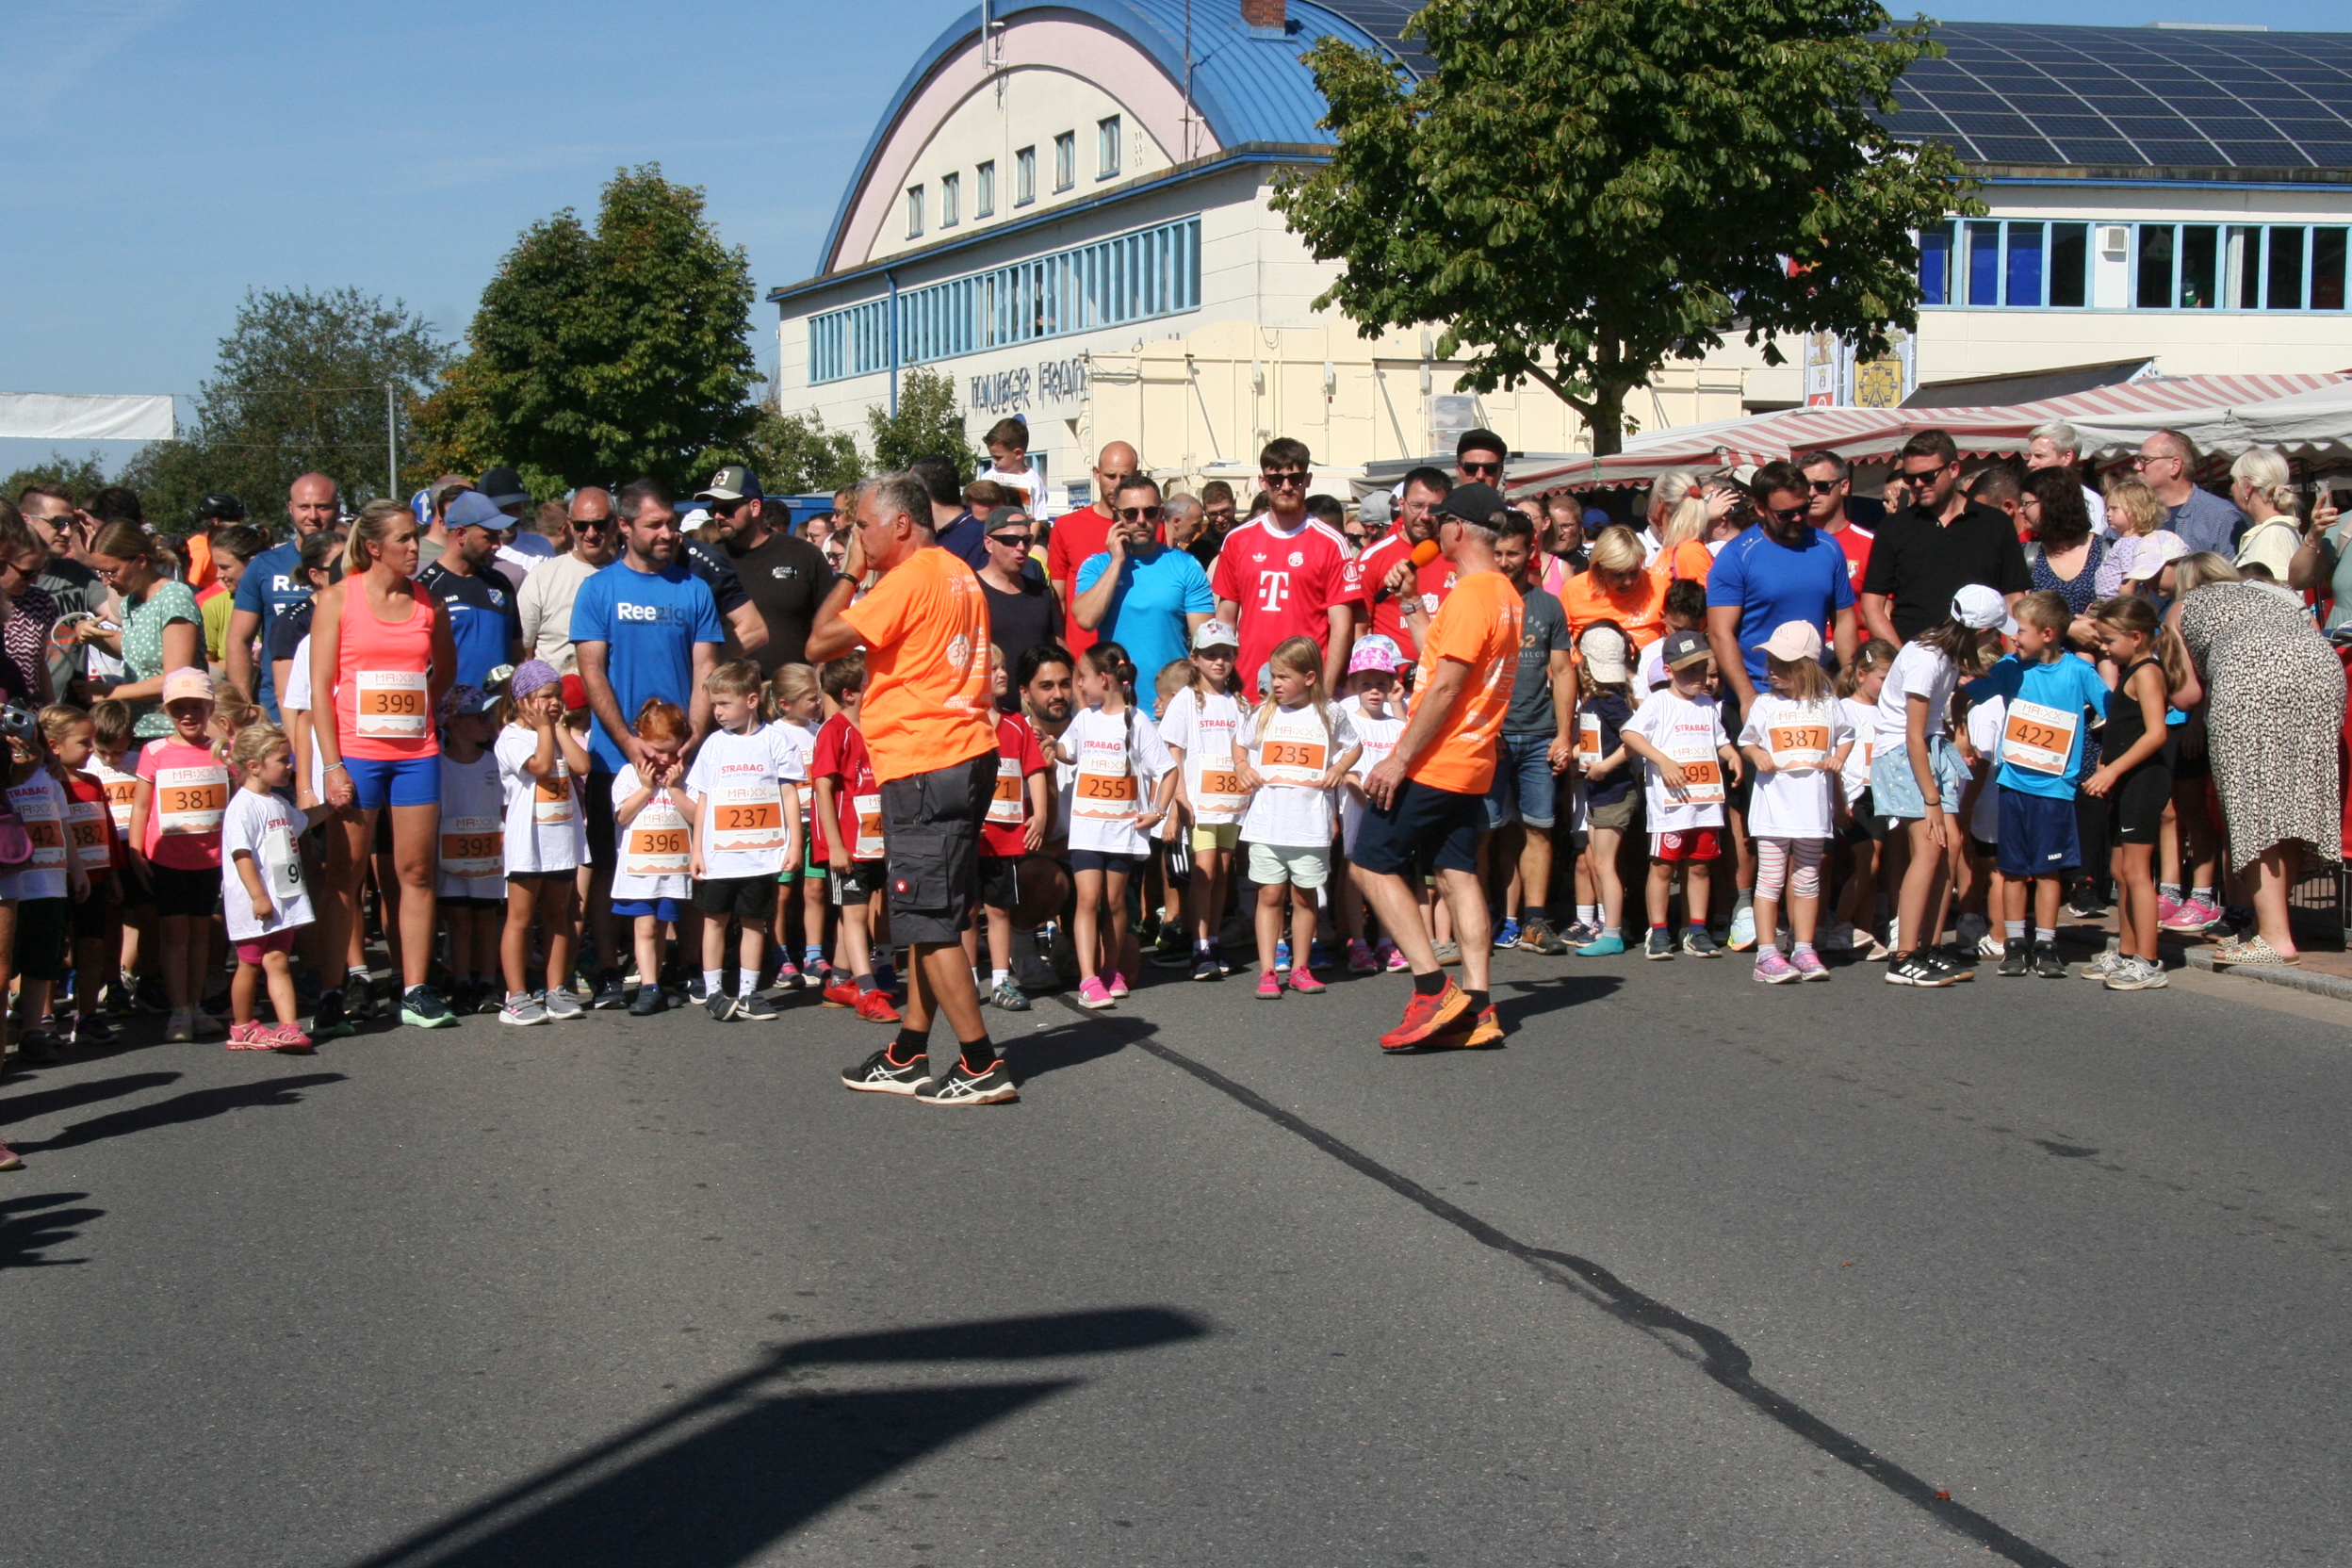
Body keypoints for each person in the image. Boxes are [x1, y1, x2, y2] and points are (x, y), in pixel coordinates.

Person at [806, 471, 1014, 1105]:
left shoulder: (908, 578)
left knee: (926, 916)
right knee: (932, 914)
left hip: (926, 761)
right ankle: (909, 1051)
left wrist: (849, 573)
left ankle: (980, 1063)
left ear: (901, 523)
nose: (858, 539)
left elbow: (819, 643)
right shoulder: (957, 571)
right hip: (964, 753)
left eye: (863, 527)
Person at [1352, 482, 1523, 1051]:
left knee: (1370, 864)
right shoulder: (1501, 593)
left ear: (1458, 529)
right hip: (1472, 758)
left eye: (1441, 520)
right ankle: (1478, 1005)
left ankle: (1432, 989)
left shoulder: (1473, 594)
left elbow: (1447, 688)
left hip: (1437, 757)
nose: (1432, 528)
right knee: (1456, 873)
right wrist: (1409, 604)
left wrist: (1398, 758)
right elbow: (1440, 659)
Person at [310, 498, 461, 1030]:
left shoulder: (429, 603)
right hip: (356, 753)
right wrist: (332, 764)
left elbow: (445, 671)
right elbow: (320, 687)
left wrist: (420, 709)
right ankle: (331, 991)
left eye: (416, 537)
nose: (415, 547)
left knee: (416, 871)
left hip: (416, 753)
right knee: (345, 873)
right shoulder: (337, 599)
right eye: (404, 539)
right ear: (374, 547)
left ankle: (415, 989)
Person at [572, 479, 726, 1001]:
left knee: (690, 857)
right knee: (608, 864)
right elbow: (592, 670)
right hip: (614, 756)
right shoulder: (599, 589)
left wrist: (692, 740)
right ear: (624, 526)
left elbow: (706, 669)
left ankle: (689, 964)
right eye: (655, 524)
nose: (668, 533)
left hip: (683, 756)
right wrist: (627, 742)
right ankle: (609, 967)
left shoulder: (694, 589)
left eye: (672, 524)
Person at [2177, 564, 2345, 970]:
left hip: (2249, 680)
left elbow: (2186, 695)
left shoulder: (2186, 604)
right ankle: (2272, 928)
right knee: (2294, 806)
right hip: (2321, 673)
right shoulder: (2275, 592)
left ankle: (2275, 937)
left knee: (2252, 809)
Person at [1960, 591, 2108, 979]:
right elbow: (1967, 694)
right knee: (2011, 868)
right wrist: (1962, 733)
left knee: (2047, 871)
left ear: (2047, 634)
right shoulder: (2010, 667)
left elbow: (2112, 710)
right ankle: (2014, 943)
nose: (2013, 638)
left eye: (2021, 631)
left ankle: (2045, 943)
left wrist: (2107, 760)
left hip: (2055, 789)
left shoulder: (2078, 671)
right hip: (2013, 783)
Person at [1872, 586, 2007, 987]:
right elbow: (1912, 735)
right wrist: (1931, 799)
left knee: (1949, 845)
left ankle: (1929, 948)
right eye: (1993, 633)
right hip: (1902, 754)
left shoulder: (1947, 656)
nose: (1994, 640)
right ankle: (1903, 957)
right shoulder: (1925, 659)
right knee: (1929, 848)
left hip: (1930, 749)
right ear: (1980, 632)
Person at [1235, 634, 1359, 1000]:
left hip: (1309, 826)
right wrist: (1242, 766)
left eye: (1283, 677)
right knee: (1270, 895)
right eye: (1273, 675)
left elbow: (1354, 746)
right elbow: (1240, 742)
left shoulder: (1330, 713)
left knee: (1306, 898)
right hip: (1267, 824)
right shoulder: (1264, 711)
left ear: (1309, 677)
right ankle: (1268, 970)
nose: (1275, 683)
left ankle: (1302, 967)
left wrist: (1339, 769)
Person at [1054, 642, 1175, 1008]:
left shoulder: (1138, 722)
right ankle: (1088, 978)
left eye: (1082, 677)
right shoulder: (1084, 719)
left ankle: (1111, 970)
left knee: (1115, 901)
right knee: (1088, 900)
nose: (1079, 684)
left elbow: (1168, 770)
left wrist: (1157, 811)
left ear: (1104, 679)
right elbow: (1067, 752)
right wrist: (1048, 744)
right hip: (1087, 830)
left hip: (1123, 831)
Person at [680, 660, 804, 1021]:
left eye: (724, 703)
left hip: (760, 856)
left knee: (754, 921)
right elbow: (703, 799)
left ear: (751, 700)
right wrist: (697, 849)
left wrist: (795, 843)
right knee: (715, 920)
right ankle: (714, 990)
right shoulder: (713, 745)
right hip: (719, 857)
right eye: (714, 704)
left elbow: (789, 795)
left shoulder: (775, 741)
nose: (717, 712)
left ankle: (749, 992)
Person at [1735, 621, 1854, 982]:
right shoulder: (1765, 704)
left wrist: (1839, 758)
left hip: (1812, 810)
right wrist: (1757, 755)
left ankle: (1803, 948)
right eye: (1771, 662)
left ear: (1807, 667)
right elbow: (1747, 740)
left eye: (1783, 664)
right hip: (1773, 809)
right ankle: (1767, 954)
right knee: (1770, 880)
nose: (1773, 670)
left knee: (1806, 880)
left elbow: (1847, 734)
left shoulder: (1828, 704)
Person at [2081, 596, 2186, 990]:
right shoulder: (2132, 672)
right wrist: (2105, 765)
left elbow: (2156, 733)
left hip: (2144, 781)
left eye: (2110, 641)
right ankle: (2126, 951)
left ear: (2137, 637)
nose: (2105, 649)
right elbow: (2122, 730)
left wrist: (2113, 770)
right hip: (2124, 780)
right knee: (2120, 870)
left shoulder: (2147, 672)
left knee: (2138, 872)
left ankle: (2148, 959)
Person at [1483, 512, 1577, 955]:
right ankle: (1484, 916)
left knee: (1538, 829)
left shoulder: (1548, 606)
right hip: (1491, 737)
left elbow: (1563, 671)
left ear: (1531, 552)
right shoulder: (1481, 602)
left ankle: (1535, 922)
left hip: (1539, 733)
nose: (1504, 562)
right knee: (1486, 831)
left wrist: (1564, 735)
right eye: (1498, 553)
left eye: (1513, 554)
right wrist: (1485, 729)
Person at [1620, 629, 1741, 961]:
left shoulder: (1707, 705)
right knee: (1662, 867)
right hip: (1670, 807)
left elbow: (1719, 740)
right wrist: (1662, 760)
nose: (1698, 677)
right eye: (1689, 670)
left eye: (1702, 669)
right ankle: (1658, 931)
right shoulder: (1659, 702)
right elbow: (1630, 734)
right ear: (1669, 670)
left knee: (1700, 867)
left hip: (1704, 805)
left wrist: (1731, 754)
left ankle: (1696, 930)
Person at [126, 666, 228, 1040]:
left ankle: (196, 1005)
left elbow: (236, 800)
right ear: (166, 711)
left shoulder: (222, 751)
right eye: (178, 708)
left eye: (196, 706)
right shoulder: (154, 751)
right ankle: (179, 1011)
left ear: (210, 708)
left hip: (210, 859)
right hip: (166, 858)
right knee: (174, 934)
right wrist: (135, 850)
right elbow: (141, 805)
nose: (188, 715)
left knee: (200, 934)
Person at [1212, 438, 1358, 698]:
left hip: (1306, 690)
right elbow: (1226, 616)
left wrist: (1324, 693)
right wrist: (1222, 684)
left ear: (1308, 480)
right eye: (1276, 479)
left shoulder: (1330, 542)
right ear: (1263, 481)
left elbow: (1342, 626)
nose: (1286, 487)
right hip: (1247, 686)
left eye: (1295, 479)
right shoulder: (1237, 539)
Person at [1859, 430, 2032, 645]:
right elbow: (1872, 606)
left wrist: (2012, 658)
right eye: (1910, 478)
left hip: (1980, 652)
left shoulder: (1995, 523)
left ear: (1953, 469)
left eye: (1927, 476)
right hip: (1916, 650)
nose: (1918, 484)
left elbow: (2014, 598)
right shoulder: (1894, 528)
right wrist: (1901, 658)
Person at [492, 660, 590, 1025]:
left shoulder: (556, 732)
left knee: (557, 915)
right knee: (520, 918)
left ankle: (555, 989)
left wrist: (558, 727)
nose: (554, 702)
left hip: (560, 840)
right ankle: (516, 995)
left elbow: (581, 765)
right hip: (527, 843)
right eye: (546, 696)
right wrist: (546, 730)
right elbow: (540, 764)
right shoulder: (512, 737)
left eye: (558, 696)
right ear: (523, 700)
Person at [1075, 476, 1215, 717]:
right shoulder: (1096, 566)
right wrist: (1117, 561)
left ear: (1160, 514)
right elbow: (1086, 620)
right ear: (1116, 517)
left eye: (1149, 512)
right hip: (1114, 710)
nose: (1141, 520)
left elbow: (1205, 643)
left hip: (1171, 709)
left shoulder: (1186, 566)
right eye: (1130, 513)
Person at [220, 723, 321, 1052]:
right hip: (256, 902)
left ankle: (288, 1026)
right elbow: (241, 855)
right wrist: (258, 896)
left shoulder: (277, 801)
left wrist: (332, 807)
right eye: (282, 759)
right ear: (254, 766)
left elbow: (303, 821)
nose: (290, 765)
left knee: (278, 959)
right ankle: (241, 1026)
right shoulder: (243, 806)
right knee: (249, 962)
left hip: (282, 899)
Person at [810, 653, 899, 1023]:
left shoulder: (875, 729)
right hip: (846, 843)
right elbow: (822, 787)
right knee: (855, 912)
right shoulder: (834, 731)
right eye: (869, 684)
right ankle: (867, 990)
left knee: (856, 911)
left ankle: (839, 981)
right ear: (849, 694)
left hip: (874, 841)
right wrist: (834, 845)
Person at [1158, 620, 1246, 980]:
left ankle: (1213, 939)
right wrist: (1180, 798)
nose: (1219, 662)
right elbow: (1173, 750)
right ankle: (1199, 946)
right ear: (1195, 658)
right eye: (1211, 655)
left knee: (1222, 871)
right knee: (1203, 871)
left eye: (1226, 654)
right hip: (1199, 800)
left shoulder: (1239, 702)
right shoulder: (1185, 700)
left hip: (1231, 802)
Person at [695, 466, 835, 670]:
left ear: (754, 507)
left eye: (726, 509)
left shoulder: (804, 555)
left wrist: (821, 678)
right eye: (713, 510)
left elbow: (829, 627)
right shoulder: (708, 561)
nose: (717, 516)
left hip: (791, 687)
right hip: (727, 686)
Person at [227, 472, 340, 720]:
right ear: (290, 508)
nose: (313, 515)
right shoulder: (264, 565)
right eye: (304, 507)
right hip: (277, 710)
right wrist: (244, 708)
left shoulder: (357, 563)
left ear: (337, 508)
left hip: (343, 707)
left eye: (322, 507)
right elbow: (238, 639)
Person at [609, 698, 695, 1017]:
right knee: (644, 927)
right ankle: (648, 986)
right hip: (639, 872)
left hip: (672, 871)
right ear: (641, 740)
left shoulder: (685, 777)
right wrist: (646, 789)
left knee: (660, 928)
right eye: (657, 751)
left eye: (672, 752)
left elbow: (696, 817)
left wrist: (674, 789)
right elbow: (621, 816)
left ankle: (655, 982)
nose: (665, 759)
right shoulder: (628, 775)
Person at [978, 666, 1054, 1011]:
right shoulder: (962, 723)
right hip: (969, 836)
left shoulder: (1017, 724)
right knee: (966, 912)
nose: (1002, 673)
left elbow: (1034, 769)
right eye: (991, 668)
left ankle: (1000, 981)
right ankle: (966, 979)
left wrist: (1040, 814)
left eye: (1003, 666)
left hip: (1004, 836)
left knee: (999, 909)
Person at [1335, 638, 1409, 972]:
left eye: (1381, 684)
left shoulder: (1399, 727)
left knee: (1389, 873)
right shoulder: (1348, 723)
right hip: (1360, 810)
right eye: (1366, 684)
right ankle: (1359, 942)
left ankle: (1386, 940)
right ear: (1353, 686)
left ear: (1392, 685)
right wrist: (1368, 803)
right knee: (1356, 875)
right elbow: (1348, 773)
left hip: (1392, 811)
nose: (1374, 691)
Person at [1569, 623, 1640, 957]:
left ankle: (1612, 932)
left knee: (1605, 864)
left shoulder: (1611, 702)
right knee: (1597, 862)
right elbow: (1596, 743)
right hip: (1598, 792)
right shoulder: (1595, 701)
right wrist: (1572, 753)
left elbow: (1634, 740)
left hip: (1614, 790)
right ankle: (1605, 926)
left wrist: (1605, 766)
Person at [435, 685, 506, 1017]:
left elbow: (505, 808)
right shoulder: (437, 766)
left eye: (489, 716)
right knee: (459, 921)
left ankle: (488, 982)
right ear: (454, 722)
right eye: (479, 717)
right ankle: (462, 981)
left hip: (489, 856)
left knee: (487, 918)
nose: (487, 723)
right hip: (450, 858)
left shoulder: (495, 762)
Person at [418, 491, 525, 691]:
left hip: (498, 708)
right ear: (461, 534)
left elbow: (517, 654)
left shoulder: (501, 584)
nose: (497, 545)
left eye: (498, 535)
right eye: (489, 536)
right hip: (445, 708)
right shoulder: (426, 588)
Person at [1048, 442, 1142, 653]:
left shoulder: (1150, 529)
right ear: (1097, 474)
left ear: (1137, 476)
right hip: (1082, 653)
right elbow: (1057, 600)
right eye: (1111, 476)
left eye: (1125, 477)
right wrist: (1062, 654)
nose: (1117, 484)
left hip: (1132, 651)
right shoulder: (1066, 526)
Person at [1352, 466, 1452, 661]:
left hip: (1444, 673)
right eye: (1417, 505)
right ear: (1402, 504)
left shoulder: (1457, 554)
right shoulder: (1372, 557)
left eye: (1434, 508)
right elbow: (1360, 629)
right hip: (1391, 678)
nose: (1425, 516)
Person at [519, 487, 621, 674]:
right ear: (570, 524)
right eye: (581, 525)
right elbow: (523, 649)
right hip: (557, 689)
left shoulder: (631, 577)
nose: (591, 533)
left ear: (615, 524)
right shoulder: (543, 575)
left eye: (600, 525)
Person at [973, 507, 1058, 706]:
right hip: (988, 711)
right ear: (989, 543)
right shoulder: (971, 591)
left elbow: (1058, 649)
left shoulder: (1041, 592)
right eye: (1011, 540)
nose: (1021, 547)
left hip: (1036, 712)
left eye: (1027, 540)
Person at [2135, 429, 2245, 559]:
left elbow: (2233, 570)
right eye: (2138, 460)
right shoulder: (2133, 511)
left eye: (2145, 460)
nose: (2137, 467)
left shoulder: (2220, 516)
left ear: (2175, 465)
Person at [1562, 526, 1670, 650]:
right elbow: (1560, 642)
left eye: (1634, 572)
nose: (1628, 582)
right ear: (1599, 569)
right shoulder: (1574, 589)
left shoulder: (1659, 586)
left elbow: (1676, 635)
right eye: (1618, 574)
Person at [0, 508, 58, 704]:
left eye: (39, 571)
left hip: (26, 709)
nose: (34, 581)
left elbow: (40, 665)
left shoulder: (40, 602)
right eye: (27, 573)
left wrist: (50, 710)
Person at [1799, 450, 1875, 595]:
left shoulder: (1871, 545)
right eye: (1805, 486)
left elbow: (1883, 605)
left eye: (1821, 485)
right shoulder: (1786, 542)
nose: (1811, 493)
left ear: (1844, 487)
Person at [2229, 449, 2302, 581]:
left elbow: (2272, 591)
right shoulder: (2275, 531)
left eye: (2234, 480)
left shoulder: (2272, 534)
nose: (2232, 488)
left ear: (2247, 487)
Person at [2026, 421, 2110, 537]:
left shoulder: (2088, 500)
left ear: (2067, 457)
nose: (2030, 464)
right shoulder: (2027, 496)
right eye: (2030, 456)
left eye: (2039, 456)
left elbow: (2092, 543)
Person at [977, 416, 1041, 512]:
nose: (993, 461)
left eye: (998, 457)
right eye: (992, 457)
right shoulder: (988, 477)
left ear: (1018, 454)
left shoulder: (1034, 481)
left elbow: (1039, 516)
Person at [1189, 481, 1238, 571]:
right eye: (1213, 514)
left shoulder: (1250, 539)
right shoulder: (1196, 551)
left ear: (1234, 504)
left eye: (1224, 511)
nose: (1220, 519)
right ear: (1205, 511)